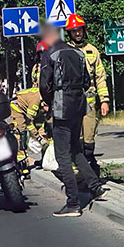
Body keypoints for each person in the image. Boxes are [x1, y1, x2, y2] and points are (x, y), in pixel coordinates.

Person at [39, 25, 108, 217]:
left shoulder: (50, 53)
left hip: (62, 108)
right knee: (76, 150)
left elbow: (44, 84)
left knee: (63, 157)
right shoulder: (78, 53)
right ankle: (96, 187)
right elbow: (87, 81)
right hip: (80, 106)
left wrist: (50, 101)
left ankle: (73, 203)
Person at [65, 13, 110, 176]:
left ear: (84, 31)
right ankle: (77, 170)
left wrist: (104, 100)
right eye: (74, 31)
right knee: (75, 137)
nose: (77, 33)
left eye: (80, 30)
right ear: (69, 33)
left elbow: (100, 78)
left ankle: (90, 164)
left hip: (89, 102)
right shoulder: (64, 51)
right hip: (71, 102)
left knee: (89, 138)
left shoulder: (92, 51)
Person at [10, 42, 50, 165]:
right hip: (32, 104)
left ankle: (46, 159)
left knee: (46, 132)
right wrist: (36, 136)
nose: (42, 56)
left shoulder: (52, 66)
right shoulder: (36, 68)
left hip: (42, 102)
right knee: (21, 133)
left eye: (45, 53)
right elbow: (28, 121)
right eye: (40, 54)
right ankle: (21, 162)